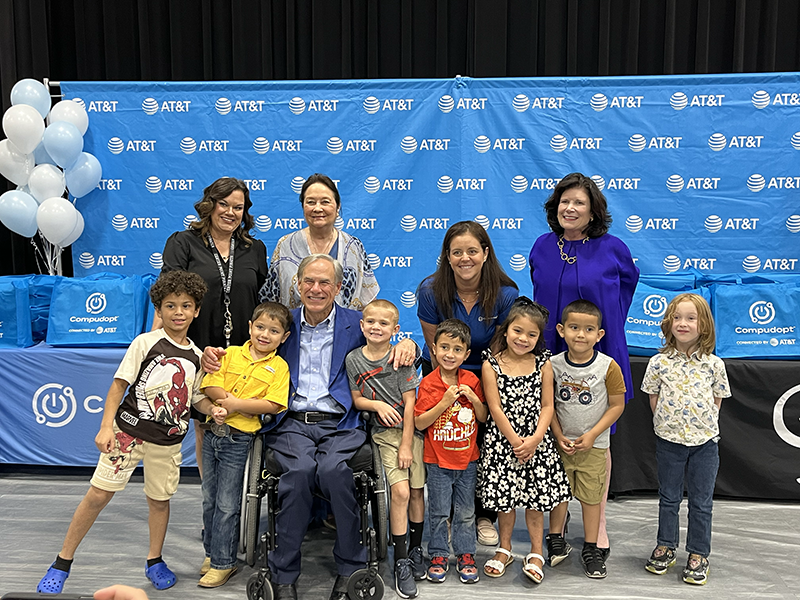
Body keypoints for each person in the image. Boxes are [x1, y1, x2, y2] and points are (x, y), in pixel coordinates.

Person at [202, 254, 416, 600]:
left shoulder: (357, 322)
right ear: (297, 285)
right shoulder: (282, 324)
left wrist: (409, 343)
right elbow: (247, 351)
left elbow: (386, 337)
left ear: (338, 287)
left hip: (340, 423)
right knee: (299, 471)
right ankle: (282, 572)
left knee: (334, 472)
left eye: (324, 283)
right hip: (291, 423)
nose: (316, 289)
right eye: (309, 282)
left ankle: (351, 568)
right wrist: (211, 355)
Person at [36, 271, 220, 594]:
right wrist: (106, 426)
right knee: (98, 495)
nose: (178, 312)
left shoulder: (196, 355)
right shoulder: (144, 343)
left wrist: (212, 409)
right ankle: (61, 562)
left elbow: (194, 400)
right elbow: (118, 386)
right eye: (170, 305)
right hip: (127, 436)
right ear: (159, 310)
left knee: (159, 501)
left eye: (186, 306)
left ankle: (155, 560)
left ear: (197, 311)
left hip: (168, 445)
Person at [528, 172, 639, 555]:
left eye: (579, 203)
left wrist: (603, 332)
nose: (570, 208)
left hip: (597, 352)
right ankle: (557, 520)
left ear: (593, 212)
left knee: (596, 436)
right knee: (554, 428)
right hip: (550, 354)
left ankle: (598, 519)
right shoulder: (543, 246)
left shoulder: (613, 249)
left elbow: (626, 288)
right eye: (564, 202)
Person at [417, 220, 518, 545]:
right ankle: (444, 515)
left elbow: (504, 352)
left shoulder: (506, 294)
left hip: (486, 376)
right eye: (457, 252)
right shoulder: (430, 291)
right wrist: (448, 392)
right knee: (447, 445)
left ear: (485, 253)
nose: (465, 258)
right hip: (443, 375)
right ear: (447, 257)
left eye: (472, 251)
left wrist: (478, 394)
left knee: (483, 448)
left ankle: (482, 514)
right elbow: (435, 351)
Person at [161, 176, 268, 476]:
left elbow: (263, 301)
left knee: (244, 423)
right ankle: (212, 499)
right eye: (224, 204)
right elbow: (169, 296)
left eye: (239, 207)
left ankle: (238, 503)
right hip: (200, 348)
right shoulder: (183, 243)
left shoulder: (254, 248)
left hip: (246, 354)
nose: (231, 213)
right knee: (204, 426)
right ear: (210, 205)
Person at [197, 301, 292, 588]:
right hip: (213, 432)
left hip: (240, 440)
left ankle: (224, 563)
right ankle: (212, 551)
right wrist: (219, 405)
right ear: (250, 327)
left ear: (284, 337)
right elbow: (209, 384)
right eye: (260, 327)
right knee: (209, 499)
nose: (265, 334)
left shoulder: (279, 367)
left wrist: (235, 405)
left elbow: (274, 404)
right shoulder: (229, 354)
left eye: (274, 331)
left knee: (227, 503)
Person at [478, 298, 571, 585]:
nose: (524, 339)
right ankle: (504, 548)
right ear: (506, 330)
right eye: (518, 331)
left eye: (532, 335)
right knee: (505, 503)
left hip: (536, 443)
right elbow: (494, 408)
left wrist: (534, 440)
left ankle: (534, 552)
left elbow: (548, 406)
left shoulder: (543, 363)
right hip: (503, 444)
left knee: (535, 501)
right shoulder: (491, 363)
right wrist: (516, 441)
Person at [641, 293, 730, 586]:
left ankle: (698, 553)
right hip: (669, 441)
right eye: (677, 317)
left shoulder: (714, 364)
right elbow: (653, 397)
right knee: (669, 497)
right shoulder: (658, 362)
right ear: (668, 323)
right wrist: (668, 424)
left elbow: (717, 400)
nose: (683, 323)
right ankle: (666, 545)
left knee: (701, 502)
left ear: (703, 325)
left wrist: (701, 428)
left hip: (705, 443)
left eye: (691, 318)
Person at [346, 299, 424, 599]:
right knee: (401, 492)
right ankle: (401, 560)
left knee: (416, 492)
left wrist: (407, 443)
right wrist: (376, 403)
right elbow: (356, 398)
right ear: (362, 325)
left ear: (395, 329)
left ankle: (416, 551)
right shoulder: (354, 359)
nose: (376, 328)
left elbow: (409, 403)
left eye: (384, 323)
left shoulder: (401, 357)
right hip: (383, 436)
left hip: (410, 433)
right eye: (371, 322)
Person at [547, 299, 626, 579]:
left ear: (599, 334)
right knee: (559, 495)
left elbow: (617, 404)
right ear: (561, 330)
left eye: (589, 329)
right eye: (574, 328)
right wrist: (557, 435)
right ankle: (555, 538)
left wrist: (593, 435)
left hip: (594, 447)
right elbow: (548, 406)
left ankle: (591, 547)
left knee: (592, 498)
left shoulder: (608, 366)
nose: (581, 335)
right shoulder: (552, 366)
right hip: (560, 446)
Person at [415, 319, 488, 585]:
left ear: (467, 354)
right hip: (438, 462)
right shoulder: (429, 383)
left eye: (457, 349)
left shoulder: (471, 379)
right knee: (439, 512)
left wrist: (475, 398)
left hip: (467, 460)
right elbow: (420, 422)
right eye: (444, 347)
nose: (450, 354)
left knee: (467, 511)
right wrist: (444, 402)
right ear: (434, 349)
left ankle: (466, 554)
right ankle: (438, 554)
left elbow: (481, 417)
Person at [261, 173, 379, 310]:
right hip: (295, 329)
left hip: (346, 330)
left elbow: (368, 301)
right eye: (311, 202)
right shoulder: (286, 245)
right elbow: (271, 301)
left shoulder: (353, 246)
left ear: (338, 206)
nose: (317, 208)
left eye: (325, 202)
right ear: (303, 206)